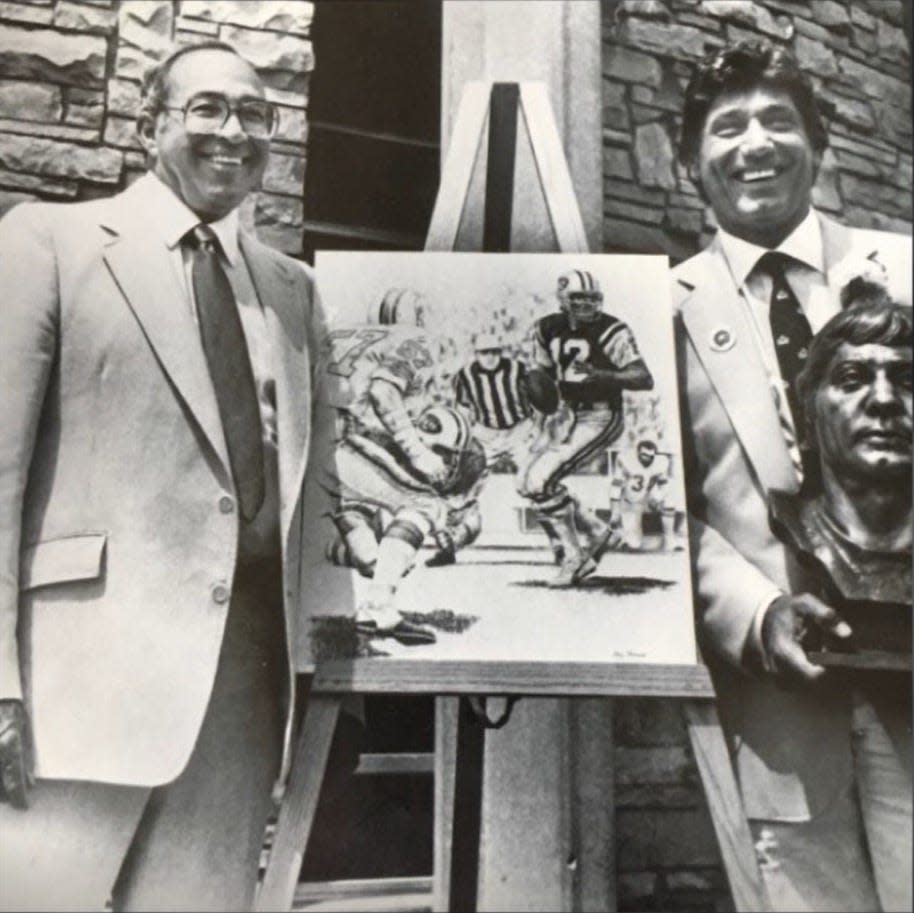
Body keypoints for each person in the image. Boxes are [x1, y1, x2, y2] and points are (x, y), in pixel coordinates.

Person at [0, 40, 325, 911]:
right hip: (78, 688)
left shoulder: (294, 292)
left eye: (255, 113)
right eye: (209, 108)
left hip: (241, 696)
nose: (236, 131)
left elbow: (316, 501)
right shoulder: (52, 243)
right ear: (149, 129)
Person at [673, 39, 912, 912]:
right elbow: (661, 511)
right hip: (780, 707)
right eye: (727, 127)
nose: (755, 143)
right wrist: (756, 613)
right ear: (688, 164)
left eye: (779, 119)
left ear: (819, 143)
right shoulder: (663, 311)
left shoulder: (904, 272)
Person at [769, 285, 911, 654]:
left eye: (908, 380)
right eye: (852, 379)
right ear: (809, 414)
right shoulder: (795, 524)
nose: (884, 400)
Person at [517, 269, 652, 587]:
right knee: (525, 483)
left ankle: (574, 557)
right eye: (578, 298)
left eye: (592, 298)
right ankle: (597, 531)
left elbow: (643, 378)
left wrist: (604, 375)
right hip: (566, 415)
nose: (587, 305)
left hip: (601, 415)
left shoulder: (611, 329)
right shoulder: (547, 328)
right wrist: (539, 415)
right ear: (563, 298)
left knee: (540, 481)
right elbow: (544, 378)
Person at [454, 331, 533, 472]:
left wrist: (533, 428)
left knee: (530, 473)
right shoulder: (466, 375)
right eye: (485, 353)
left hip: (518, 430)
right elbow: (462, 407)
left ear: (501, 353)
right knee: (473, 474)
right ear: (477, 354)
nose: (490, 357)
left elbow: (538, 400)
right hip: (486, 434)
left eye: (494, 352)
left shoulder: (517, 369)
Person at [609, 435, 682, 552]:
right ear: (637, 453)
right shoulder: (625, 460)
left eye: (651, 456)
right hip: (630, 503)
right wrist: (615, 512)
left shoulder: (661, 462)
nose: (647, 459)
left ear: (655, 455)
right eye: (644, 455)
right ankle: (626, 538)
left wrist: (658, 498)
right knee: (634, 545)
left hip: (647, 497)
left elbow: (664, 485)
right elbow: (615, 488)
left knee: (669, 499)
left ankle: (670, 540)